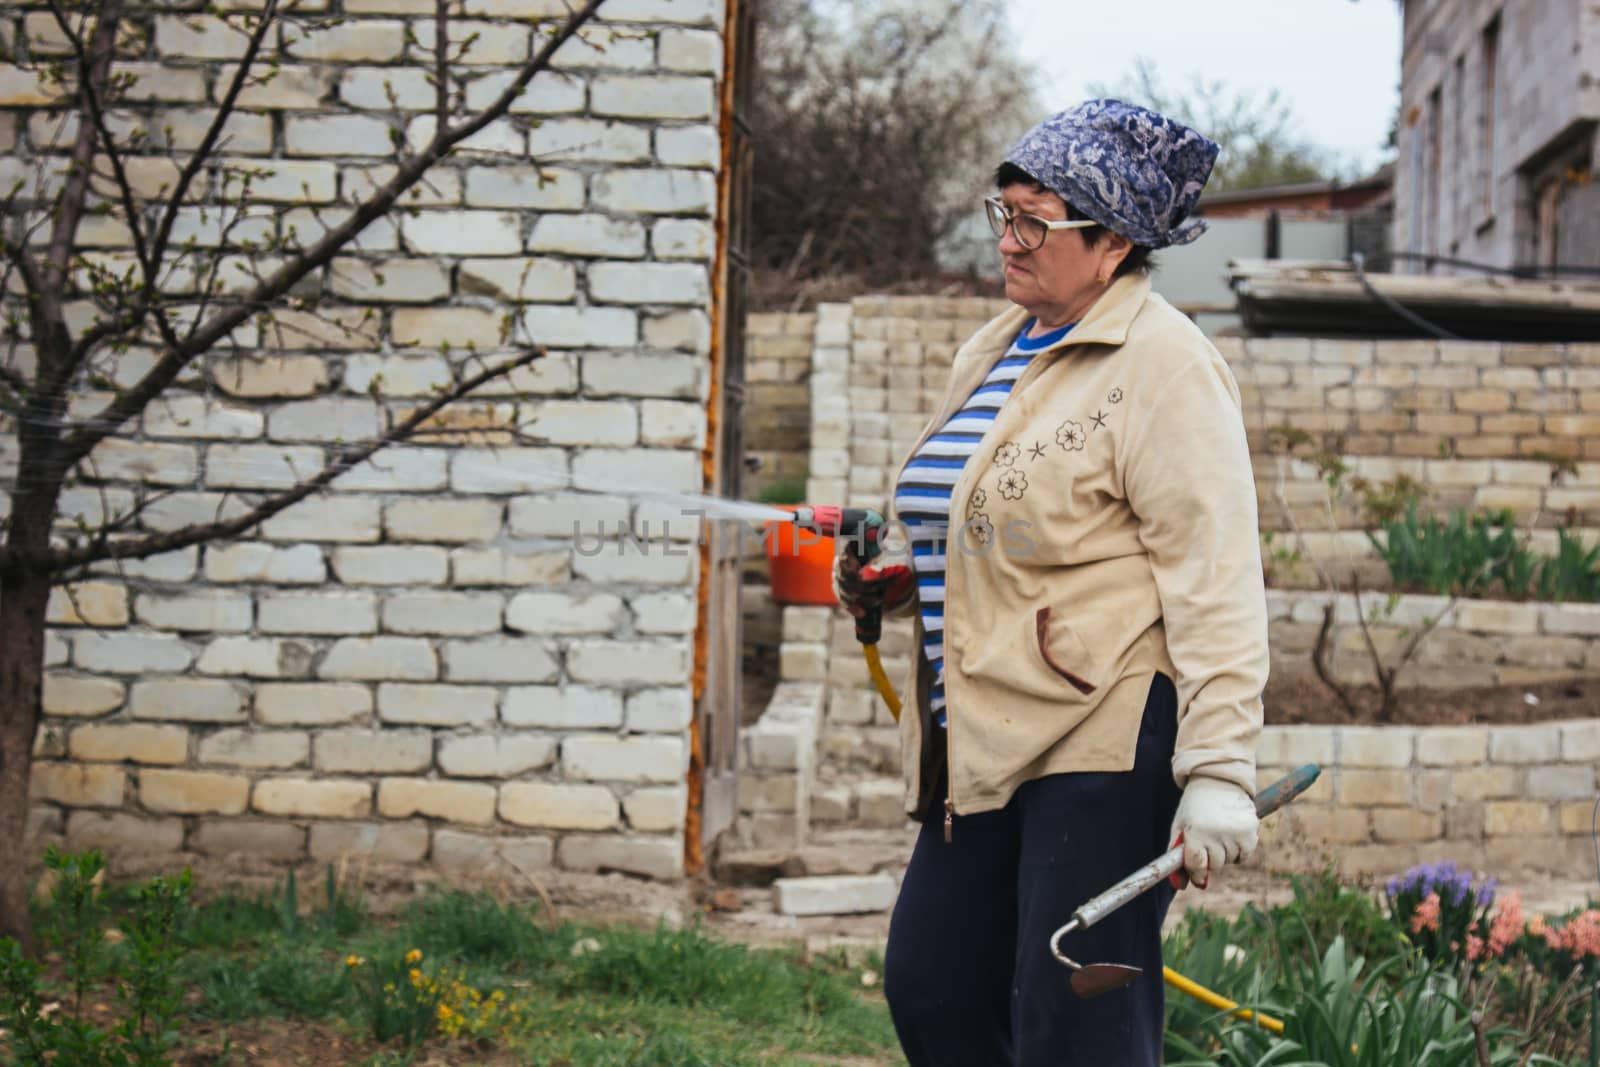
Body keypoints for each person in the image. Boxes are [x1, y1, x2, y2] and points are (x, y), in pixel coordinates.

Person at [833, 99, 1270, 1066]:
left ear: (1112, 242)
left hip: (1099, 736)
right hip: (981, 730)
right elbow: (990, 527)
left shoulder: (1164, 364)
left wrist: (1219, 769)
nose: (1010, 239)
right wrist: (894, 577)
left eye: (1037, 220)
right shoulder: (992, 349)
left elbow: (1217, 576)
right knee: (934, 985)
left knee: (1076, 1019)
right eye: (1004, 212)